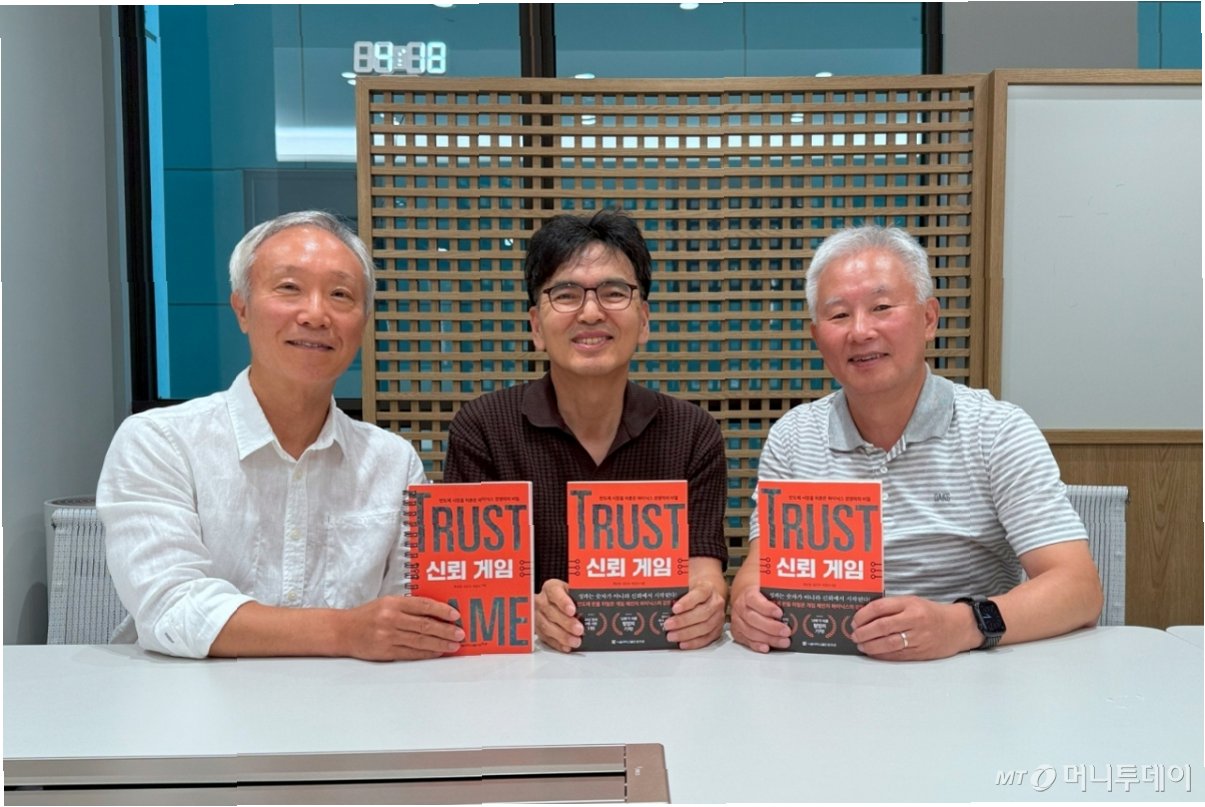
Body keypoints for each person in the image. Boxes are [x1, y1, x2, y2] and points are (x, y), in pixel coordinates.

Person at [97, 211, 464, 660]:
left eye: (340, 295)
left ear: (364, 322)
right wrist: (346, 632)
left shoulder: (393, 462)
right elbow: (173, 609)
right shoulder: (159, 442)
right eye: (290, 288)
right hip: (191, 699)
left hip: (353, 700)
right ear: (242, 309)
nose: (315, 314)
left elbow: (407, 619)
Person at [730, 225, 1103, 660]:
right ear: (817, 337)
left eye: (881, 307)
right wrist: (748, 606)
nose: (860, 331)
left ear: (929, 319)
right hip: (825, 673)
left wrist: (961, 625)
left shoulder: (996, 430)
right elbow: (758, 570)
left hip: (966, 672)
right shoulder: (793, 437)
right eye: (839, 315)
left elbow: (1078, 588)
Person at [443, 209, 729, 652]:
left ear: (644, 320)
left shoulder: (693, 433)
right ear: (536, 326)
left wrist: (705, 604)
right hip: (521, 672)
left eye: (614, 293)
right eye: (566, 294)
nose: (591, 312)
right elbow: (469, 591)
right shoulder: (482, 429)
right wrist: (533, 611)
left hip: (655, 668)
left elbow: (703, 571)